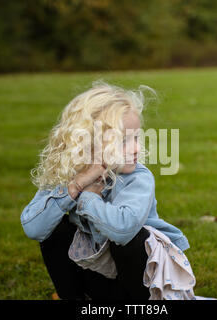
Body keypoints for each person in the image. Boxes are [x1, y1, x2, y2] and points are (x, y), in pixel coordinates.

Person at [20, 80, 190, 300]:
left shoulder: (138, 177)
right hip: (99, 277)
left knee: (132, 238)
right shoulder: (70, 174)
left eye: (137, 137)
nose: (137, 148)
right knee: (55, 229)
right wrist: (77, 186)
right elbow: (34, 228)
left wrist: (89, 198)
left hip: (143, 280)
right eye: (124, 141)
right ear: (89, 143)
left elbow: (124, 230)